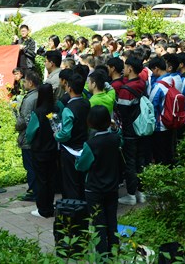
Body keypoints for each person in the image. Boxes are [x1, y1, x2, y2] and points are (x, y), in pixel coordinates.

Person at [75, 105, 121, 256]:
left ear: (90, 122)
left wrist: (77, 158)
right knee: (112, 220)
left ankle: (101, 256)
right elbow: (120, 140)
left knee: (98, 223)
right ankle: (114, 251)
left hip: (94, 189)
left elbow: (81, 166)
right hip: (112, 187)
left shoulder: (90, 144)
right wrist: (114, 128)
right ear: (108, 121)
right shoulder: (114, 139)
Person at [116, 57, 147, 206]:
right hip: (142, 128)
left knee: (130, 163)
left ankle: (130, 195)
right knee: (141, 161)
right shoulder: (142, 83)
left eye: (125, 66)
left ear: (130, 68)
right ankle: (141, 193)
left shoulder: (126, 89)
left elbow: (122, 112)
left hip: (130, 130)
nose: (124, 69)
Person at [55, 73, 90, 199]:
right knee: (82, 180)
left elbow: (65, 133)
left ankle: (72, 207)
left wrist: (56, 135)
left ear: (69, 88)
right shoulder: (86, 103)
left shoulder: (68, 109)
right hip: (84, 147)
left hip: (70, 150)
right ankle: (83, 205)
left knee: (70, 181)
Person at [26, 83, 58, 218]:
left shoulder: (38, 112)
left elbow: (30, 133)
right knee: (51, 179)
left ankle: (42, 209)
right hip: (53, 150)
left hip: (39, 151)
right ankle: (50, 206)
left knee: (41, 180)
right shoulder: (56, 110)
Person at [14, 70, 40, 201]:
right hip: (36, 136)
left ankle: (33, 191)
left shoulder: (30, 99)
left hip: (28, 137)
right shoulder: (38, 95)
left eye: (25, 81)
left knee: (30, 166)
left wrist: (16, 125)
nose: (23, 83)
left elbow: (24, 119)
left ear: (30, 83)